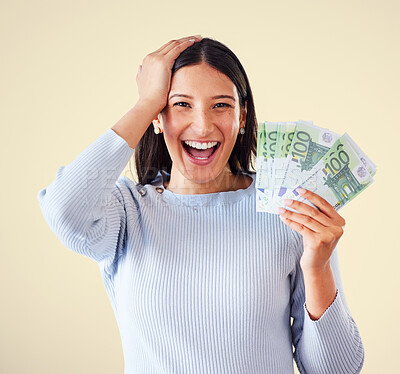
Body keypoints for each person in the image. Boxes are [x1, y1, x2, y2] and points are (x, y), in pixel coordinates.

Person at [37, 34, 365, 373]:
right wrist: (146, 101)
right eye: (181, 104)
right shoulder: (127, 210)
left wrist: (317, 268)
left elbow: (337, 370)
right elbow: (64, 211)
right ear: (157, 117)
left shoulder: (286, 209)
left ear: (241, 117)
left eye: (221, 104)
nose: (203, 125)